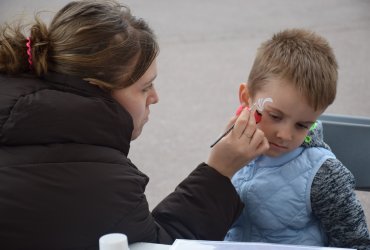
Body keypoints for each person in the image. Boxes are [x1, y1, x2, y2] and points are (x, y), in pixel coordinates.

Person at [0, 0, 270, 249]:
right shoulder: (97, 180)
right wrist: (219, 171)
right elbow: (156, 245)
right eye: (144, 88)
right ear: (99, 89)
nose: (155, 97)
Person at [224, 28, 370, 249]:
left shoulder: (323, 174)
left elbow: (354, 243)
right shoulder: (231, 146)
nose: (285, 135)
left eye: (302, 125)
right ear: (246, 98)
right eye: (275, 116)